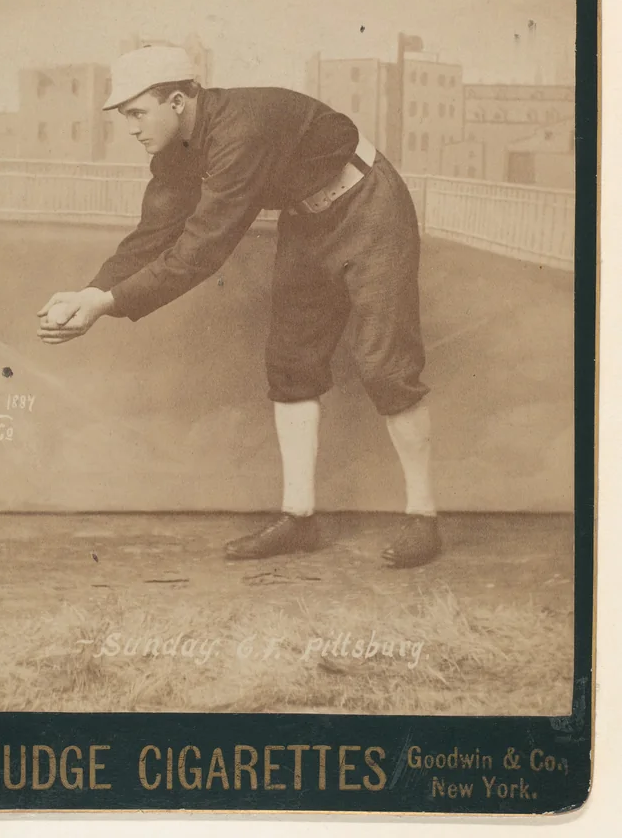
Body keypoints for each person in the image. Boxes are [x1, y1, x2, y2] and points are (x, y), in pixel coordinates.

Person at [37, 44, 441, 568]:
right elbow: (156, 233)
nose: (130, 128)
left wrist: (110, 304)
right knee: (291, 363)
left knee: (385, 365)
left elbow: (202, 250)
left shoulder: (240, 130)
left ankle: (424, 519)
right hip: (307, 217)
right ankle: (300, 520)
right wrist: (93, 291)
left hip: (368, 205)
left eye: (137, 113)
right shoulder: (175, 151)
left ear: (178, 100)